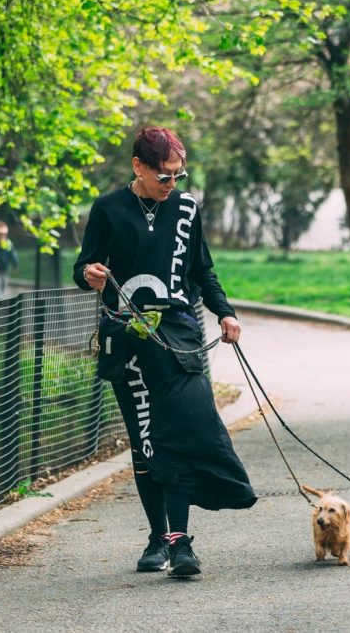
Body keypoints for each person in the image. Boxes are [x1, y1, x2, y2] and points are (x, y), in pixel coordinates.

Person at [74, 125, 254, 578]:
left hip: (179, 337)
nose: (172, 183)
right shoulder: (109, 208)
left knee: (183, 431)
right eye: (164, 176)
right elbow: (84, 267)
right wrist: (90, 275)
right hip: (127, 338)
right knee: (146, 442)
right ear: (138, 167)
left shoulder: (188, 209)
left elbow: (202, 271)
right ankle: (159, 536)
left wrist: (225, 313)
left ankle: (180, 541)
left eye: (178, 175)